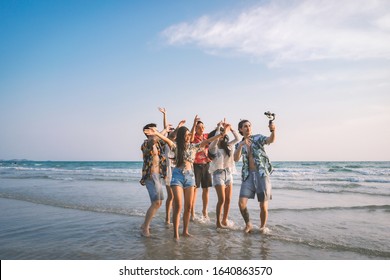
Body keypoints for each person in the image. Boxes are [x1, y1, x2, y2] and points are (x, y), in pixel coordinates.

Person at [144, 116, 225, 240]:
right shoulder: (176, 147)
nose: (189, 136)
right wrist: (156, 133)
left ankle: (185, 231)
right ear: (182, 136)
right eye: (187, 135)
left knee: (188, 207)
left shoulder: (194, 147)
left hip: (190, 177)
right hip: (177, 176)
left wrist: (219, 135)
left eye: (189, 135)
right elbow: (166, 139)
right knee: (178, 206)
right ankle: (176, 234)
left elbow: (207, 141)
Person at [233, 119, 276, 234]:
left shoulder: (258, 138)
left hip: (262, 174)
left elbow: (270, 140)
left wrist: (273, 130)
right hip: (248, 176)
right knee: (241, 203)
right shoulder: (239, 144)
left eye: (249, 126)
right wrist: (240, 146)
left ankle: (262, 228)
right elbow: (235, 159)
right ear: (241, 129)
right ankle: (248, 224)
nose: (248, 128)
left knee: (263, 205)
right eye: (245, 126)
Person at [208, 120, 240, 229]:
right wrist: (218, 128)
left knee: (228, 200)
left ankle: (224, 220)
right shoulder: (213, 147)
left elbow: (238, 139)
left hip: (228, 174)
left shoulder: (229, 145)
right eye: (220, 134)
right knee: (221, 199)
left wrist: (230, 129)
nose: (222, 135)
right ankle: (218, 222)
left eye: (223, 133)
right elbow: (215, 140)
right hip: (218, 175)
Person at [158, 107, 185, 225]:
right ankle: (168, 218)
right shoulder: (167, 141)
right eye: (173, 131)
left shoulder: (178, 143)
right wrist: (165, 115)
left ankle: (174, 217)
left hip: (177, 170)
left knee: (176, 197)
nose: (175, 133)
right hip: (168, 171)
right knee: (171, 196)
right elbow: (169, 131)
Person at [139, 123, 167, 237]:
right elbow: (152, 141)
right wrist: (160, 132)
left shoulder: (159, 144)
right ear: (147, 132)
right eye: (153, 130)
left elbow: (163, 137)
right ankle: (145, 227)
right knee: (156, 202)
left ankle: (145, 224)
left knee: (159, 202)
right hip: (150, 176)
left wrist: (166, 129)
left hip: (158, 176)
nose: (156, 132)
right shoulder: (146, 144)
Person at [190, 118, 212, 220]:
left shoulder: (206, 136)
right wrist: (194, 124)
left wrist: (219, 126)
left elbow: (216, 135)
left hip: (206, 164)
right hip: (196, 165)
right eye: (199, 128)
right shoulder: (193, 137)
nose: (201, 129)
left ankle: (204, 210)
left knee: (206, 189)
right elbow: (190, 135)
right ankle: (192, 211)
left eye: (202, 127)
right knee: (194, 189)